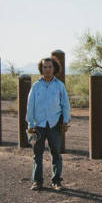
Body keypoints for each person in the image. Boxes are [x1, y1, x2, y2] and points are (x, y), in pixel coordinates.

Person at [26, 57, 70, 191]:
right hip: (38, 125)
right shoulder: (36, 86)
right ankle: (37, 182)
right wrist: (30, 124)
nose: (47, 69)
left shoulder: (59, 85)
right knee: (37, 155)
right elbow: (30, 105)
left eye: (50, 67)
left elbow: (65, 105)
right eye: (45, 67)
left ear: (54, 68)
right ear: (41, 69)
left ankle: (56, 181)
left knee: (56, 154)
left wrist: (65, 121)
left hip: (54, 125)